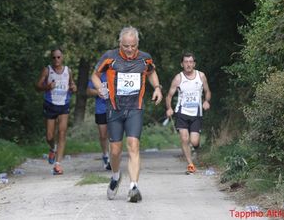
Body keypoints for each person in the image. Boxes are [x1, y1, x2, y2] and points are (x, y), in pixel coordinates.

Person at [91, 26, 163, 203]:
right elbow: (95, 74)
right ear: (119, 44)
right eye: (126, 46)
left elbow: (152, 72)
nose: (130, 50)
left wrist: (158, 88)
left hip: (135, 109)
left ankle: (133, 187)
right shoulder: (110, 57)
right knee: (115, 151)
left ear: (137, 43)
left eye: (133, 46)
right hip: (114, 109)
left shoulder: (145, 58)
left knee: (133, 145)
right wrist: (100, 87)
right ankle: (116, 177)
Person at [165, 52, 211, 174]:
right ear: (182, 64)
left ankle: (195, 147)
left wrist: (206, 101)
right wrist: (169, 108)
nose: (188, 64)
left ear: (194, 63)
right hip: (182, 113)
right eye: (186, 62)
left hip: (196, 113)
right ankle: (190, 164)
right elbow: (169, 96)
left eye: (191, 62)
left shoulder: (201, 76)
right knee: (184, 139)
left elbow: (207, 91)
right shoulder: (178, 78)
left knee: (194, 141)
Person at [35, 48, 77, 175]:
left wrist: (73, 87)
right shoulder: (47, 70)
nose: (56, 60)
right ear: (51, 58)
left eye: (58, 57)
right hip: (50, 104)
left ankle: (58, 165)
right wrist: (47, 87)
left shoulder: (68, 71)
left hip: (64, 104)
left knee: (62, 133)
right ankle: (53, 148)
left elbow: (72, 84)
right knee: (49, 136)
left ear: (62, 57)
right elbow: (37, 86)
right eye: (54, 57)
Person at [87, 73, 112, 171]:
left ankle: (111, 158)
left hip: (114, 108)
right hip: (101, 109)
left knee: (113, 134)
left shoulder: (116, 71)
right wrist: (98, 92)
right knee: (103, 135)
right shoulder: (97, 74)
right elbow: (88, 91)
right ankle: (105, 154)